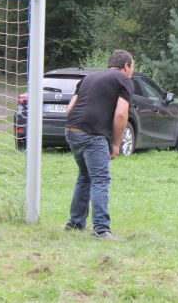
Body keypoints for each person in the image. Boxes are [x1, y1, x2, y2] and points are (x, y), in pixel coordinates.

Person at [64, 50, 134, 240]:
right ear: (126, 66)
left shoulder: (88, 78)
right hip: (92, 135)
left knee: (85, 176)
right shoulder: (123, 80)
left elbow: (69, 108)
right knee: (100, 179)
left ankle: (75, 223)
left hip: (72, 131)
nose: (132, 72)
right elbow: (121, 114)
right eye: (132, 67)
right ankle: (101, 230)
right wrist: (116, 144)